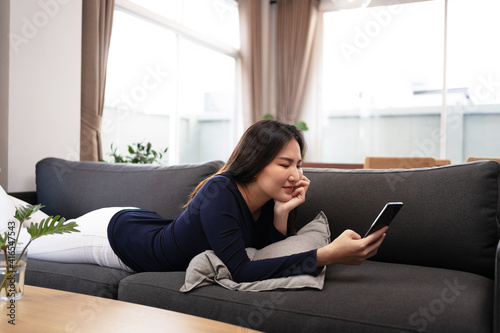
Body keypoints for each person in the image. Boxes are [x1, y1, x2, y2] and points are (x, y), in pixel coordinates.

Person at [26, 119, 387, 282]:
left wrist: (282, 213)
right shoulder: (221, 190)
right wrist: (325, 255)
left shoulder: (264, 201)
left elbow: (261, 250)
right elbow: (243, 270)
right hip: (112, 237)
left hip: (143, 223)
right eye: (285, 164)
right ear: (257, 161)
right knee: (17, 240)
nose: (296, 174)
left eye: (298, 164)